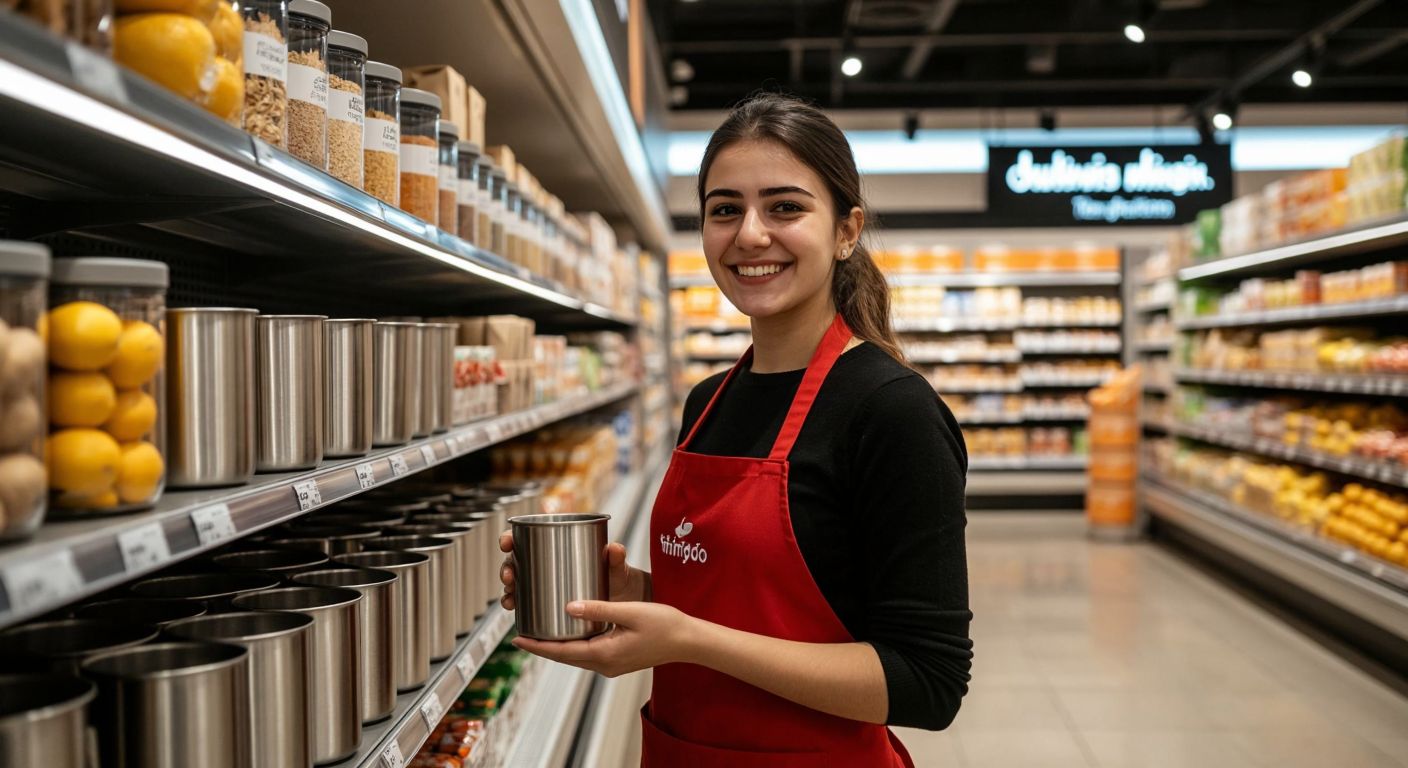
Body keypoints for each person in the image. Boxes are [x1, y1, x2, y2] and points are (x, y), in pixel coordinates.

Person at [499, 92, 972, 766]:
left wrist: (688, 639)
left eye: (785, 207)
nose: (750, 234)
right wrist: (643, 599)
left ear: (846, 231)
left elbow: (930, 683)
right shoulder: (707, 403)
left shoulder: (891, 411)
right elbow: (743, 607)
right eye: (725, 210)